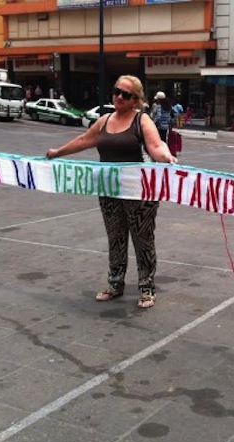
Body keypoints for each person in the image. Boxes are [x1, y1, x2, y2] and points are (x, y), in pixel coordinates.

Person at [45, 75, 176, 308]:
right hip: (109, 191)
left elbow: (156, 147)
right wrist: (57, 152)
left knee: (142, 239)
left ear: (136, 100)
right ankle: (115, 284)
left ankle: (146, 287)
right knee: (115, 238)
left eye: (126, 94)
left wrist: (167, 158)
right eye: (117, 91)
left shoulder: (142, 120)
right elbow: (84, 140)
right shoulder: (105, 120)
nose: (119, 97)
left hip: (139, 193)